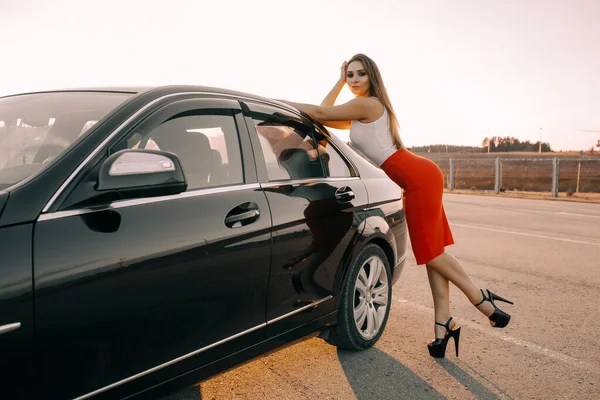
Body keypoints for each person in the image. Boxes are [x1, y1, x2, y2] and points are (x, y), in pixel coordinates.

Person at [276, 53, 513, 358]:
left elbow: (321, 112)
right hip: (416, 180)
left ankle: (481, 299)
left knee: (432, 253)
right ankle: (444, 327)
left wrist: (277, 105)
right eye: (349, 75)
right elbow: (322, 115)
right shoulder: (359, 109)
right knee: (432, 254)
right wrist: (337, 81)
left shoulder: (370, 103)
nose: (354, 80)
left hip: (420, 179)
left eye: (360, 74)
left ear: (372, 76)